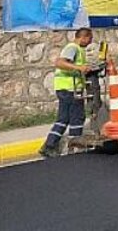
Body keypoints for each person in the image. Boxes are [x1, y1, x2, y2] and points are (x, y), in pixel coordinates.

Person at [39, 28, 93, 157]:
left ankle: (49, 145)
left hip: (65, 88)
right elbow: (59, 62)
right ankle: (75, 146)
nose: (89, 43)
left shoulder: (76, 49)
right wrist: (79, 68)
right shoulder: (72, 48)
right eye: (89, 40)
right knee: (77, 118)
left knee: (63, 119)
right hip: (70, 89)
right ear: (83, 37)